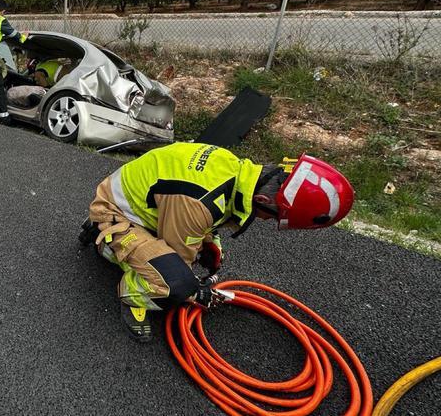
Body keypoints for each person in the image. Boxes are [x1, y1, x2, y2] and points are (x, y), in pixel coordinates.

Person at [80, 142, 354, 342]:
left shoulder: (232, 168)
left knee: (193, 258)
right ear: (262, 200)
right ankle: (123, 276)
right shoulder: (198, 204)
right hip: (114, 213)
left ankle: (122, 245)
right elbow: (180, 254)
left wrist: (210, 242)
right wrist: (196, 292)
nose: (267, 221)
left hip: (148, 206)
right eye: (273, 216)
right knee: (175, 284)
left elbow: (202, 216)